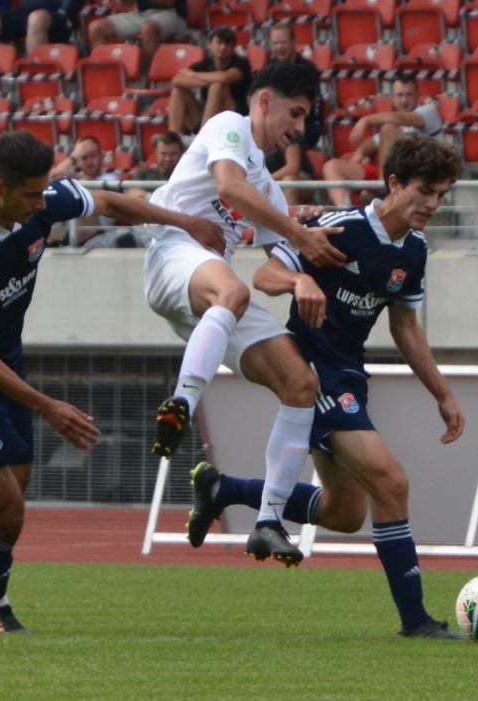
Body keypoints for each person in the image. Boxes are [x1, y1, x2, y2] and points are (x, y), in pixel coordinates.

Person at [0, 131, 223, 634]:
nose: (42, 204)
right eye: (32, 195)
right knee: (8, 510)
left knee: (6, 495)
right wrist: (47, 406)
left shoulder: (39, 201)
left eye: (44, 191)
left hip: (8, 372)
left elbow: (108, 201)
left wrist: (184, 222)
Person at [186, 134, 468, 639]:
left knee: (344, 512)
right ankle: (416, 620)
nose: (433, 203)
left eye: (441, 194)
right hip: (312, 370)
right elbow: (265, 274)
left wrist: (442, 394)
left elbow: (405, 327)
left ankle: (224, 488)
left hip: (350, 374)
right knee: (392, 483)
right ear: (394, 183)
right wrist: (300, 281)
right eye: (425, 191)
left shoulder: (414, 250)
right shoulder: (341, 228)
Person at [144, 62, 347, 566]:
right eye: (294, 113)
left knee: (301, 383)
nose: (298, 128)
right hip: (174, 257)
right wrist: (299, 232)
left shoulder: (271, 192)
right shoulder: (229, 126)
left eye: (304, 119)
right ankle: (180, 406)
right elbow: (230, 188)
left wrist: (302, 274)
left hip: (216, 299)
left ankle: (269, 520)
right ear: (265, 102)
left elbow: (274, 268)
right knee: (231, 290)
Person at [322, 71, 445, 208]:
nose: (404, 100)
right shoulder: (392, 128)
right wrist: (359, 154)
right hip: (391, 176)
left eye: (409, 95)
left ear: (417, 96)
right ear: (392, 98)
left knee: (388, 127)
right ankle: (345, 210)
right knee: (332, 166)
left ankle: (384, 189)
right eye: (400, 95)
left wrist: (365, 120)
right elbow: (371, 143)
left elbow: (401, 118)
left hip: (420, 174)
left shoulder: (429, 111)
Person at [262, 22, 322, 206]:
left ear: (294, 42)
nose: (279, 47)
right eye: (275, 43)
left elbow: (293, 167)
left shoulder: (307, 69)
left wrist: (264, 181)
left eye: (284, 42)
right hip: (272, 175)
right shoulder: (268, 68)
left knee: (289, 179)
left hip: (307, 125)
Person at [167, 26, 252, 136]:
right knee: (178, 90)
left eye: (227, 44)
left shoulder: (241, 63)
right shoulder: (206, 63)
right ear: (210, 44)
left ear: (233, 47)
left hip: (236, 117)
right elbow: (177, 80)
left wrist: (194, 75)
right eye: (219, 42)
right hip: (208, 115)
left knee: (217, 86)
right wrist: (207, 79)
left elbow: (225, 77)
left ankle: (203, 137)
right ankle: (173, 137)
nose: (223, 47)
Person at [48, 136, 122, 247]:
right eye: (84, 157)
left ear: (101, 156)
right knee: (52, 193)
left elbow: (89, 189)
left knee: (77, 195)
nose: (89, 161)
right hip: (73, 231)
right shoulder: (76, 178)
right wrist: (73, 157)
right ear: (77, 160)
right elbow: (50, 178)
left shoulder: (111, 178)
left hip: (100, 232)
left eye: (93, 156)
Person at [88, 0, 188, 67]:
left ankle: (153, 80)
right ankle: (105, 79)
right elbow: (129, 2)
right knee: (96, 28)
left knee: (149, 28)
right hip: (142, 14)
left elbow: (168, 1)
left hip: (173, 14)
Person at [0, 0, 85, 53]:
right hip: (25, 12)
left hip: (57, 15)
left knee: (35, 19)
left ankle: (36, 75)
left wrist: (64, 14)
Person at [123, 130, 185, 200]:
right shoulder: (143, 174)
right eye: (163, 153)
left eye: (173, 154)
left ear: (181, 153)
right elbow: (132, 193)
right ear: (156, 152)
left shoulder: (186, 175)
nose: (168, 158)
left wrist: (147, 196)